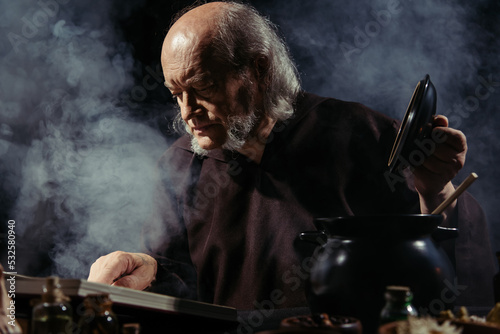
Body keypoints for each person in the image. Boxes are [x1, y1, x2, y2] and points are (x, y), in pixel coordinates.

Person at [88, 1, 495, 311]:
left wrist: (436, 188)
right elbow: (177, 281)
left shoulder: (365, 135)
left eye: (203, 85)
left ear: (259, 70)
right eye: (176, 93)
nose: (186, 110)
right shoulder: (179, 167)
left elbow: (451, 278)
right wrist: (146, 268)